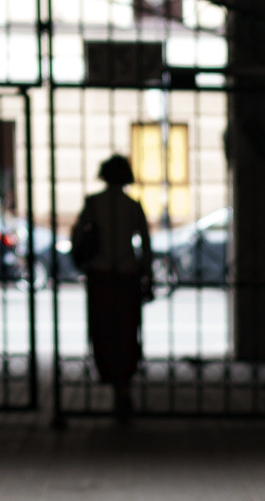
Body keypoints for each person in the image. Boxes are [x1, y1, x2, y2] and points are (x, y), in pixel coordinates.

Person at [70, 156, 153, 420]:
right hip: (127, 274)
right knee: (127, 330)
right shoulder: (133, 205)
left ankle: (111, 375)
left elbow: (78, 236)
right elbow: (146, 245)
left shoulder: (93, 203)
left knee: (104, 328)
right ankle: (124, 386)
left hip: (101, 273)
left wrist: (83, 255)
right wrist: (147, 274)